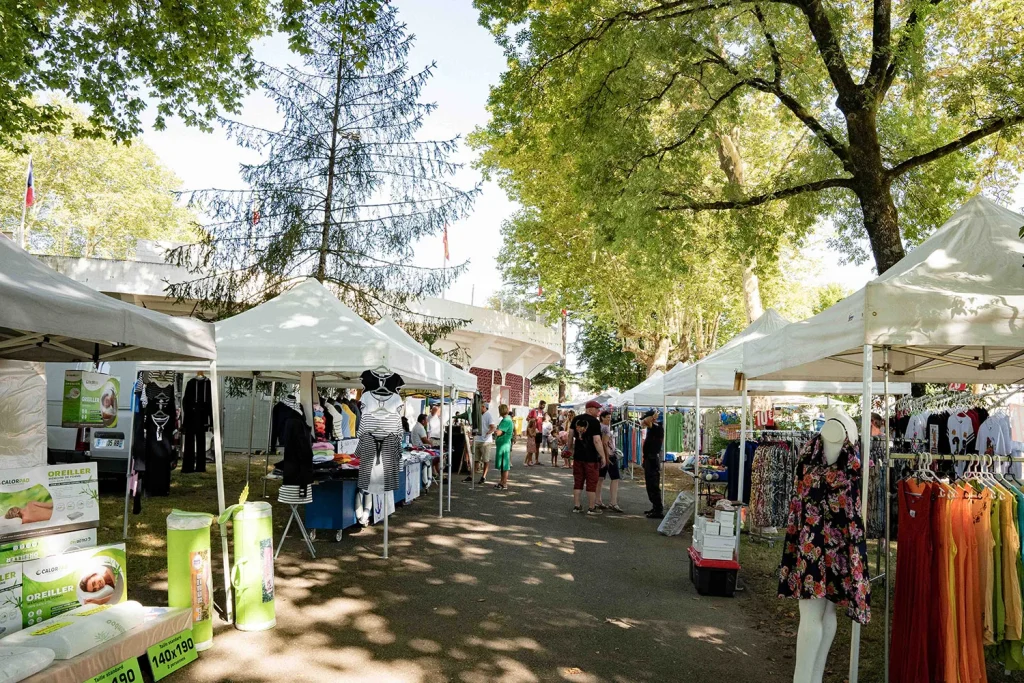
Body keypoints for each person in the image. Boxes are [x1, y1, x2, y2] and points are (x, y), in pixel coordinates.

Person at [569, 400, 607, 515]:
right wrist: (603, 456)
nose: (598, 411)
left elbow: (570, 435)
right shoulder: (594, 422)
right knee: (591, 482)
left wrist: (570, 448)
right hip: (591, 457)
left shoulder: (575, 419)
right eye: (597, 409)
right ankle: (591, 507)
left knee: (578, 480)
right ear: (590, 409)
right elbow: (597, 440)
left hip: (578, 456)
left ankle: (576, 505)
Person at [596, 410, 624, 513]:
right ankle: (613, 502)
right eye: (607, 417)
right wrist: (607, 457)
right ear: (602, 417)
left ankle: (598, 500)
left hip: (600, 456)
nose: (609, 419)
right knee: (615, 478)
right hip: (609, 456)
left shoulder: (598, 427)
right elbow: (604, 443)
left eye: (610, 417)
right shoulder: (606, 428)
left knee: (600, 478)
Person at [641, 410, 664, 518]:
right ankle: (655, 507)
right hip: (648, 459)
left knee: (653, 484)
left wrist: (652, 417)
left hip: (653, 459)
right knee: (649, 485)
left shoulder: (657, 427)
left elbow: (645, 421)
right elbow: (643, 422)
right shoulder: (652, 428)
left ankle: (658, 509)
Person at [467, 401, 495, 484]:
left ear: (484, 407)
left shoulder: (488, 415)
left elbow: (493, 427)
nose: (479, 408)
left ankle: (483, 476)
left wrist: (488, 433)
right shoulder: (479, 415)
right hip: (478, 439)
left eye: (481, 407)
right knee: (476, 459)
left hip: (486, 441)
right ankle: (472, 476)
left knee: (485, 459)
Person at [494, 404, 514, 489]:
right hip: (503, 444)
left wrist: (495, 430)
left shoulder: (506, 420)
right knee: (503, 464)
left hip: (504, 445)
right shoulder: (507, 419)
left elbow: (499, 432)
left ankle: (504, 483)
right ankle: (502, 481)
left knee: (505, 464)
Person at [527, 400, 547, 466]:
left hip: (540, 431)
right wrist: (533, 420)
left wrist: (543, 418)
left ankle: (536, 460)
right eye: (543, 405)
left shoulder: (543, 412)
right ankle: (530, 460)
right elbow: (527, 418)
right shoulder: (534, 410)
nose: (543, 407)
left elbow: (542, 420)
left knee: (537, 446)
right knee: (532, 445)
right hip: (533, 430)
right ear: (540, 404)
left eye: (544, 405)